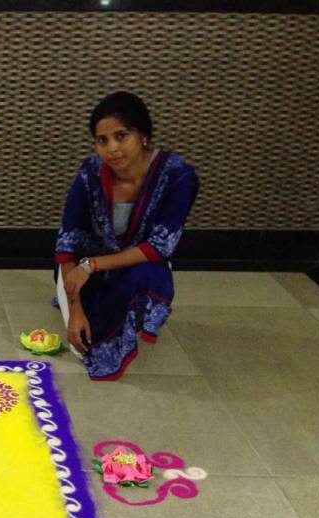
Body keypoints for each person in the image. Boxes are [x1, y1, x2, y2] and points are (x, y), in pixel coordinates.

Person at [55, 91, 199, 381]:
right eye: (102, 140)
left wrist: (91, 266)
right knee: (82, 332)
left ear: (143, 135)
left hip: (134, 265)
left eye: (121, 136)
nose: (112, 149)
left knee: (145, 275)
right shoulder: (91, 173)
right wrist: (75, 310)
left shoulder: (177, 176)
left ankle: (128, 312)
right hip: (83, 270)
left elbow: (159, 247)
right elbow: (68, 242)